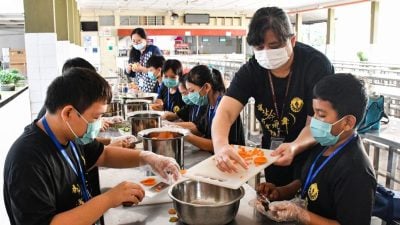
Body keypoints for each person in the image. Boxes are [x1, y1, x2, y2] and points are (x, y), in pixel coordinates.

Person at [3, 68, 180, 225]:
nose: (99, 124)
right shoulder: (28, 160)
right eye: (96, 117)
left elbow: (103, 155)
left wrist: (148, 158)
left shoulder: (70, 135)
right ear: (68, 113)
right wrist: (109, 199)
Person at [211, 6, 334, 186]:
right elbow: (225, 112)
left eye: (274, 46)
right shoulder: (252, 70)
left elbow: (317, 122)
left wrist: (295, 146)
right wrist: (221, 145)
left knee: (307, 200)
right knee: (274, 198)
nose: (266, 53)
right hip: (273, 152)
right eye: (259, 47)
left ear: (292, 40)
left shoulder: (315, 66)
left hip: (310, 150)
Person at [255, 73, 376, 225]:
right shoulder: (323, 143)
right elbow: (306, 180)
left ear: (347, 122)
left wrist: (302, 215)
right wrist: (280, 192)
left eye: (321, 115)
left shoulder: (356, 171)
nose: (314, 121)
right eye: (314, 113)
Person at [36, 57, 130, 148]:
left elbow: (84, 148)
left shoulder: (70, 127)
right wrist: (109, 145)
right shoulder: (39, 148)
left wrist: (110, 141)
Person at [185, 65, 245, 152]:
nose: (190, 95)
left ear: (206, 87)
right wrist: (177, 129)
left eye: (192, 91)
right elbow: (200, 128)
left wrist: (188, 137)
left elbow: (221, 145)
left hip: (232, 157)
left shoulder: (225, 106)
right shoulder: (209, 104)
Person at [125, 28, 162, 93]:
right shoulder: (133, 52)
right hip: (139, 89)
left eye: (139, 40)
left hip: (153, 88)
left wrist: (142, 69)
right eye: (133, 41)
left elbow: (160, 70)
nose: (136, 43)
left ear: (145, 39)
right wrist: (128, 70)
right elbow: (132, 74)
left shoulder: (153, 50)